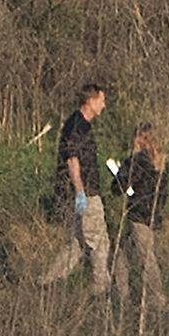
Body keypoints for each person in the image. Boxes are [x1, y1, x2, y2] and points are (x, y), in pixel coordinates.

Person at [40, 84, 111, 297]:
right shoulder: (76, 126)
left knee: (78, 242)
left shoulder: (82, 125)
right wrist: (80, 192)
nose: (104, 105)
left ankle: (48, 282)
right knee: (99, 241)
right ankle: (102, 289)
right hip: (85, 193)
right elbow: (72, 160)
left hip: (81, 192)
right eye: (102, 100)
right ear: (91, 101)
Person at [112, 123, 169, 311]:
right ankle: (123, 294)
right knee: (122, 253)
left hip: (138, 214)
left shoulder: (138, 160)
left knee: (146, 258)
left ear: (139, 139)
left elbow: (120, 186)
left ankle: (157, 299)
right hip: (153, 215)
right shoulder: (161, 161)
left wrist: (118, 172)